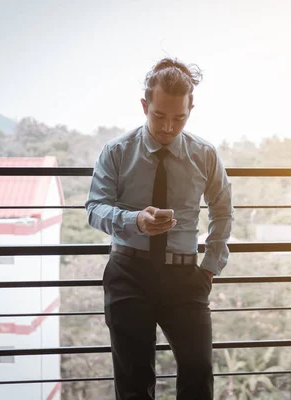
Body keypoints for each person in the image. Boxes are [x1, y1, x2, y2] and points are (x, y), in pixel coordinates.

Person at [85, 57, 234, 400]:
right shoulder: (117, 152)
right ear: (144, 106)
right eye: (159, 116)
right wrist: (135, 220)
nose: (168, 127)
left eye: (179, 118)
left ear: (190, 110)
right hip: (128, 274)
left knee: (198, 375)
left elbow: (223, 212)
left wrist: (209, 269)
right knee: (134, 382)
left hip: (185, 280)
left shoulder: (205, 155)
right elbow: (94, 208)